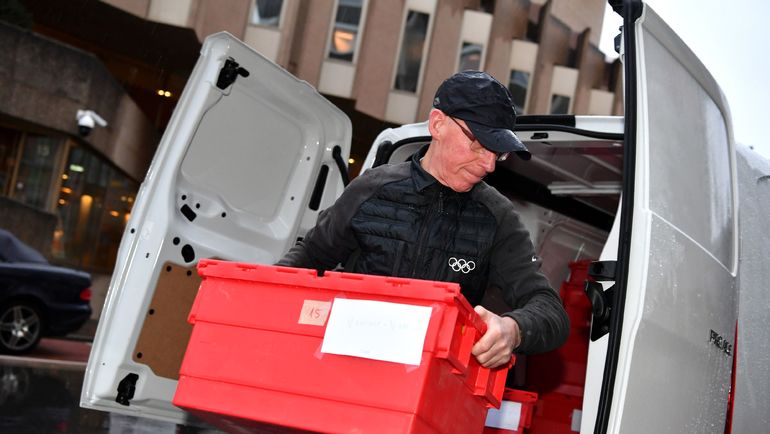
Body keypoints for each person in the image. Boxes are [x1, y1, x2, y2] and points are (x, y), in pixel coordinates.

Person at [278, 71, 569, 368]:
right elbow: (306, 259)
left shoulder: (498, 217)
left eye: (499, 154)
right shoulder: (371, 189)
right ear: (438, 124)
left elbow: (550, 311)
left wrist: (514, 329)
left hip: (430, 385)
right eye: (479, 145)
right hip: (343, 366)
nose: (489, 165)